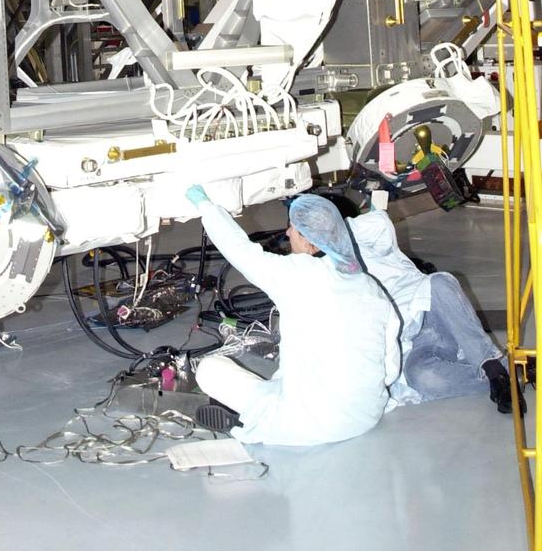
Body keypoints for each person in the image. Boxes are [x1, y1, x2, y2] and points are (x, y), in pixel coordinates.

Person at [186, 187, 401, 446]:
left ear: (311, 243)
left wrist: (206, 206)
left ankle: (245, 420)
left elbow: (239, 250)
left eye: (294, 229)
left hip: (312, 424)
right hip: (368, 414)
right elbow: (390, 367)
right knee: (287, 378)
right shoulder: (369, 286)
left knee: (209, 370)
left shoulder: (296, 274)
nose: (287, 233)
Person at [350, 206, 524, 415]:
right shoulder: (326, 274)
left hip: (432, 309)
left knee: (439, 283)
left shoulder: (367, 243)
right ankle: (513, 372)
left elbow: (381, 223)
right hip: (409, 341)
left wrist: (336, 233)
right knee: (423, 378)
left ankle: (494, 371)